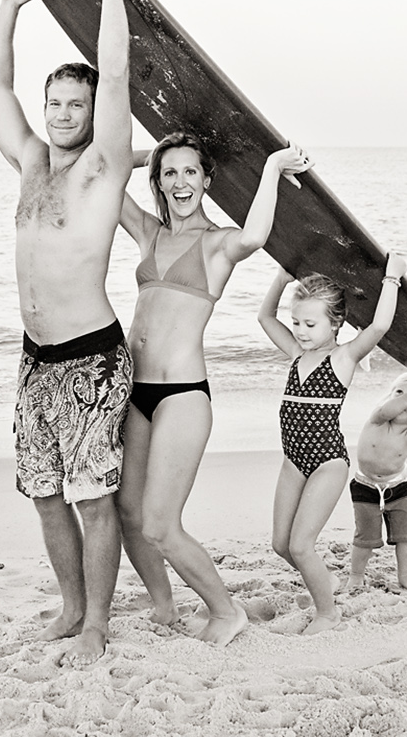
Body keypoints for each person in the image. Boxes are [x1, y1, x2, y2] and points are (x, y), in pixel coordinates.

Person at [0, 0, 132, 668]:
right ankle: (71, 609)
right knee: (45, 494)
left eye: (77, 103)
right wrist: (8, 8)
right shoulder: (33, 161)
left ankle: (98, 620)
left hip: (94, 361)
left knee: (93, 498)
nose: (64, 112)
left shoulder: (102, 168)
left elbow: (120, 73)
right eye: (57, 102)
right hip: (35, 361)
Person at [117, 132, 310, 646]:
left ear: (207, 180)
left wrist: (270, 168)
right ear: (158, 181)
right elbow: (105, 174)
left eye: (190, 172)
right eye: (169, 173)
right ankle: (163, 607)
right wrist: (144, 156)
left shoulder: (218, 242)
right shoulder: (149, 234)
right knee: (128, 515)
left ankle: (226, 611)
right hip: (135, 394)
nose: (180, 183)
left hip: (181, 395)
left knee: (159, 523)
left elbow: (255, 236)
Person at [255, 254, 406, 634]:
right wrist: (281, 277)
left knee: (302, 545)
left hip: (327, 461)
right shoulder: (296, 355)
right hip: (293, 459)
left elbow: (380, 325)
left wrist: (392, 279)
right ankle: (325, 580)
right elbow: (264, 318)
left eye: (309, 323)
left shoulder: (343, 357)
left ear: (335, 323)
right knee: (281, 544)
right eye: (297, 323)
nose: (301, 331)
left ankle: (328, 613)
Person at [347, 351, 407, 591]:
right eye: (398, 393)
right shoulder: (378, 419)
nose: (405, 401)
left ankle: (405, 575)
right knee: (365, 538)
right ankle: (356, 575)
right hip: (366, 487)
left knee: (406, 537)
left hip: (398, 489)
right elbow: (386, 410)